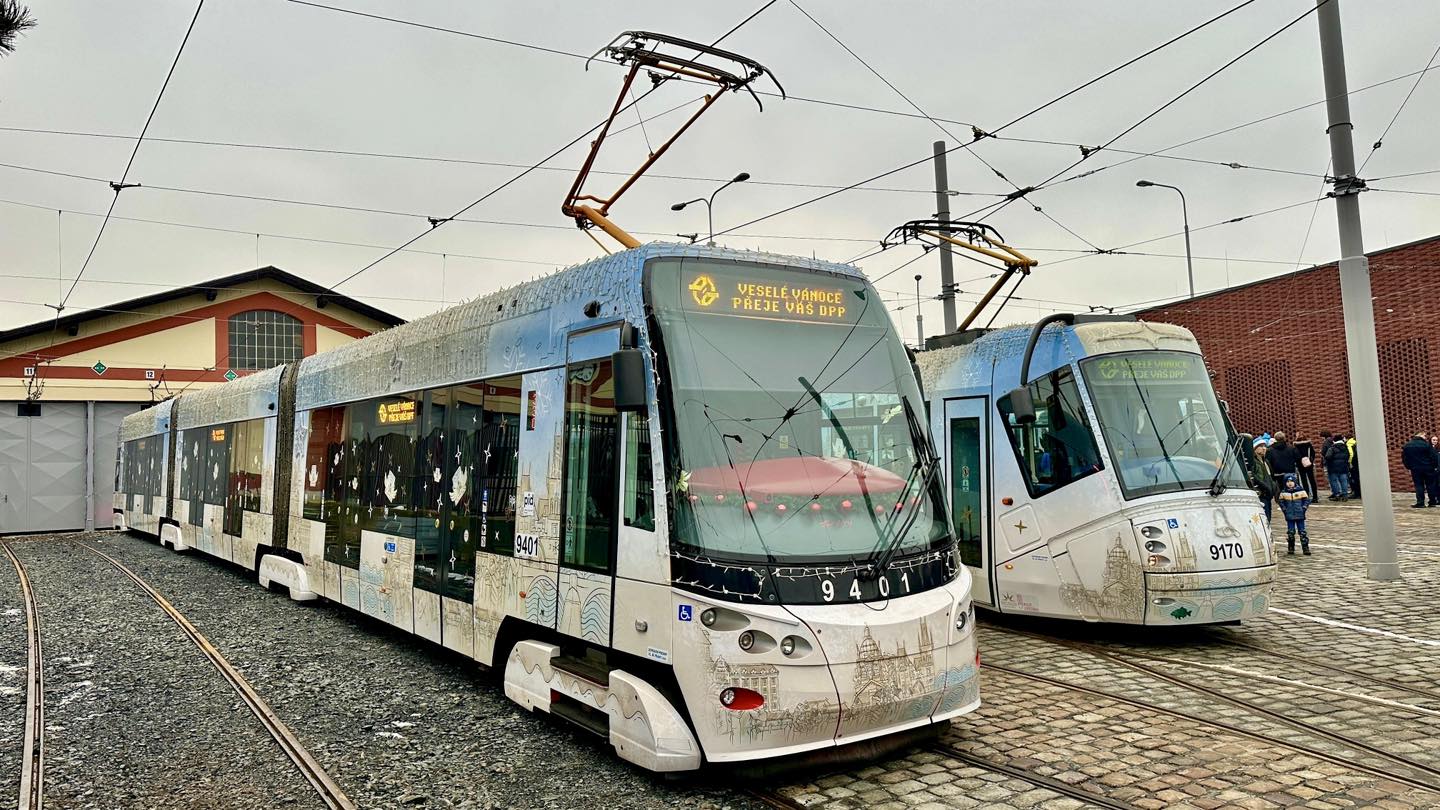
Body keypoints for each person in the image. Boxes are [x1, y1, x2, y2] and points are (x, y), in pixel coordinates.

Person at [1401, 431, 1440, 508]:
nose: (1425, 437)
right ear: (1420, 435)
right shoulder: (1427, 445)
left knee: (1418, 485)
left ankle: (1420, 503)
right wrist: (1434, 466)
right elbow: (1434, 457)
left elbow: (1404, 458)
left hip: (1415, 469)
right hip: (1428, 468)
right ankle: (1432, 502)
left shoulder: (1407, 446)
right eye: (1424, 436)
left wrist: (1408, 467)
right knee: (1430, 485)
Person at [1277, 473, 1311, 555]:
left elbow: (1306, 500)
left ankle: (1305, 548)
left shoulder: (1301, 491)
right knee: (1291, 532)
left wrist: (1304, 508)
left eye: (1291, 481)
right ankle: (1291, 547)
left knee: (1302, 532)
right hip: (1289, 515)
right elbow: (1281, 502)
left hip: (1300, 514)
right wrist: (1284, 509)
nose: (1290, 483)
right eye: (1287, 482)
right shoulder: (1284, 493)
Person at [1251, 438, 1277, 524]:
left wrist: (1273, 487)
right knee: (1264, 518)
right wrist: (1265, 487)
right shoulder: (1254, 462)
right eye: (1261, 446)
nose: (1264, 448)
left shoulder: (1266, 462)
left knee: (1268, 518)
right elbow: (1253, 476)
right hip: (1261, 494)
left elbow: (1271, 476)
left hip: (1268, 494)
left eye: (1265, 446)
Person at [1324, 432, 1350, 501]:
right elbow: (1348, 456)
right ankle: (1345, 495)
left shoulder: (1332, 448)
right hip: (1343, 467)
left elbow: (1327, 457)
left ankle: (1337, 495)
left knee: (1334, 481)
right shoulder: (1345, 447)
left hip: (1333, 467)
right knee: (1344, 481)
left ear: (1334, 440)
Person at [1294, 432, 1318, 501]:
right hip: (1309, 464)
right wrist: (1311, 460)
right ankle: (1315, 497)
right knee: (1312, 480)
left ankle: (1306, 495)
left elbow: (1295, 455)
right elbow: (1313, 453)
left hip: (1300, 465)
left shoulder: (1296, 445)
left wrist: (1298, 462)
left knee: (1304, 480)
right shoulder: (1308, 444)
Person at [1347, 432, 1361, 499]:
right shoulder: (1355, 442)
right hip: (1358, 463)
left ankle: (1356, 493)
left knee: (1354, 478)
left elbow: (1351, 453)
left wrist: (1350, 462)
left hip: (1354, 463)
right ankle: (1359, 493)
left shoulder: (1349, 443)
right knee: (1358, 478)